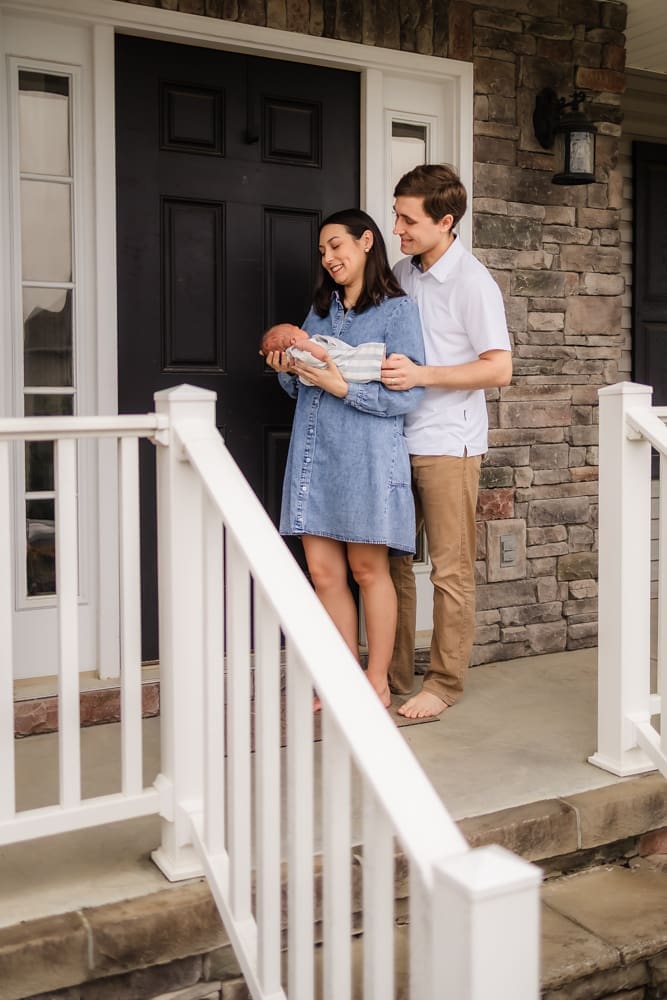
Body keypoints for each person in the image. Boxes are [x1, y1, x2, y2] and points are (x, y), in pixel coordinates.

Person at [265, 208, 425, 709]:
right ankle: (342, 675)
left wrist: (342, 387)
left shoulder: (398, 313)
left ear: (366, 243)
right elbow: (301, 388)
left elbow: (405, 397)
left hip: (367, 456)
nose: (329, 257)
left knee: (366, 570)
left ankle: (376, 680)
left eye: (336, 246)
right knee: (324, 572)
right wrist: (286, 369)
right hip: (315, 453)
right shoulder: (318, 311)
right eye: (322, 251)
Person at [381, 163, 512, 719]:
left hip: (448, 445)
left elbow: (499, 368)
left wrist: (422, 375)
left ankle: (445, 683)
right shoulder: (401, 272)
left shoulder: (472, 282)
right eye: (396, 214)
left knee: (450, 570)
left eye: (408, 218)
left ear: (445, 221)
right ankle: (390, 675)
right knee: (389, 561)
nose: (398, 227)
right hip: (393, 439)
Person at [260, 323, 385, 384]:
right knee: (365, 362)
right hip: (344, 366)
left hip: (345, 369)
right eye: (296, 328)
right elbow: (321, 355)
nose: (300, 327)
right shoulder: (302, 349)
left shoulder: (302, 366)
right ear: (294, 341)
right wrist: (308, 347)